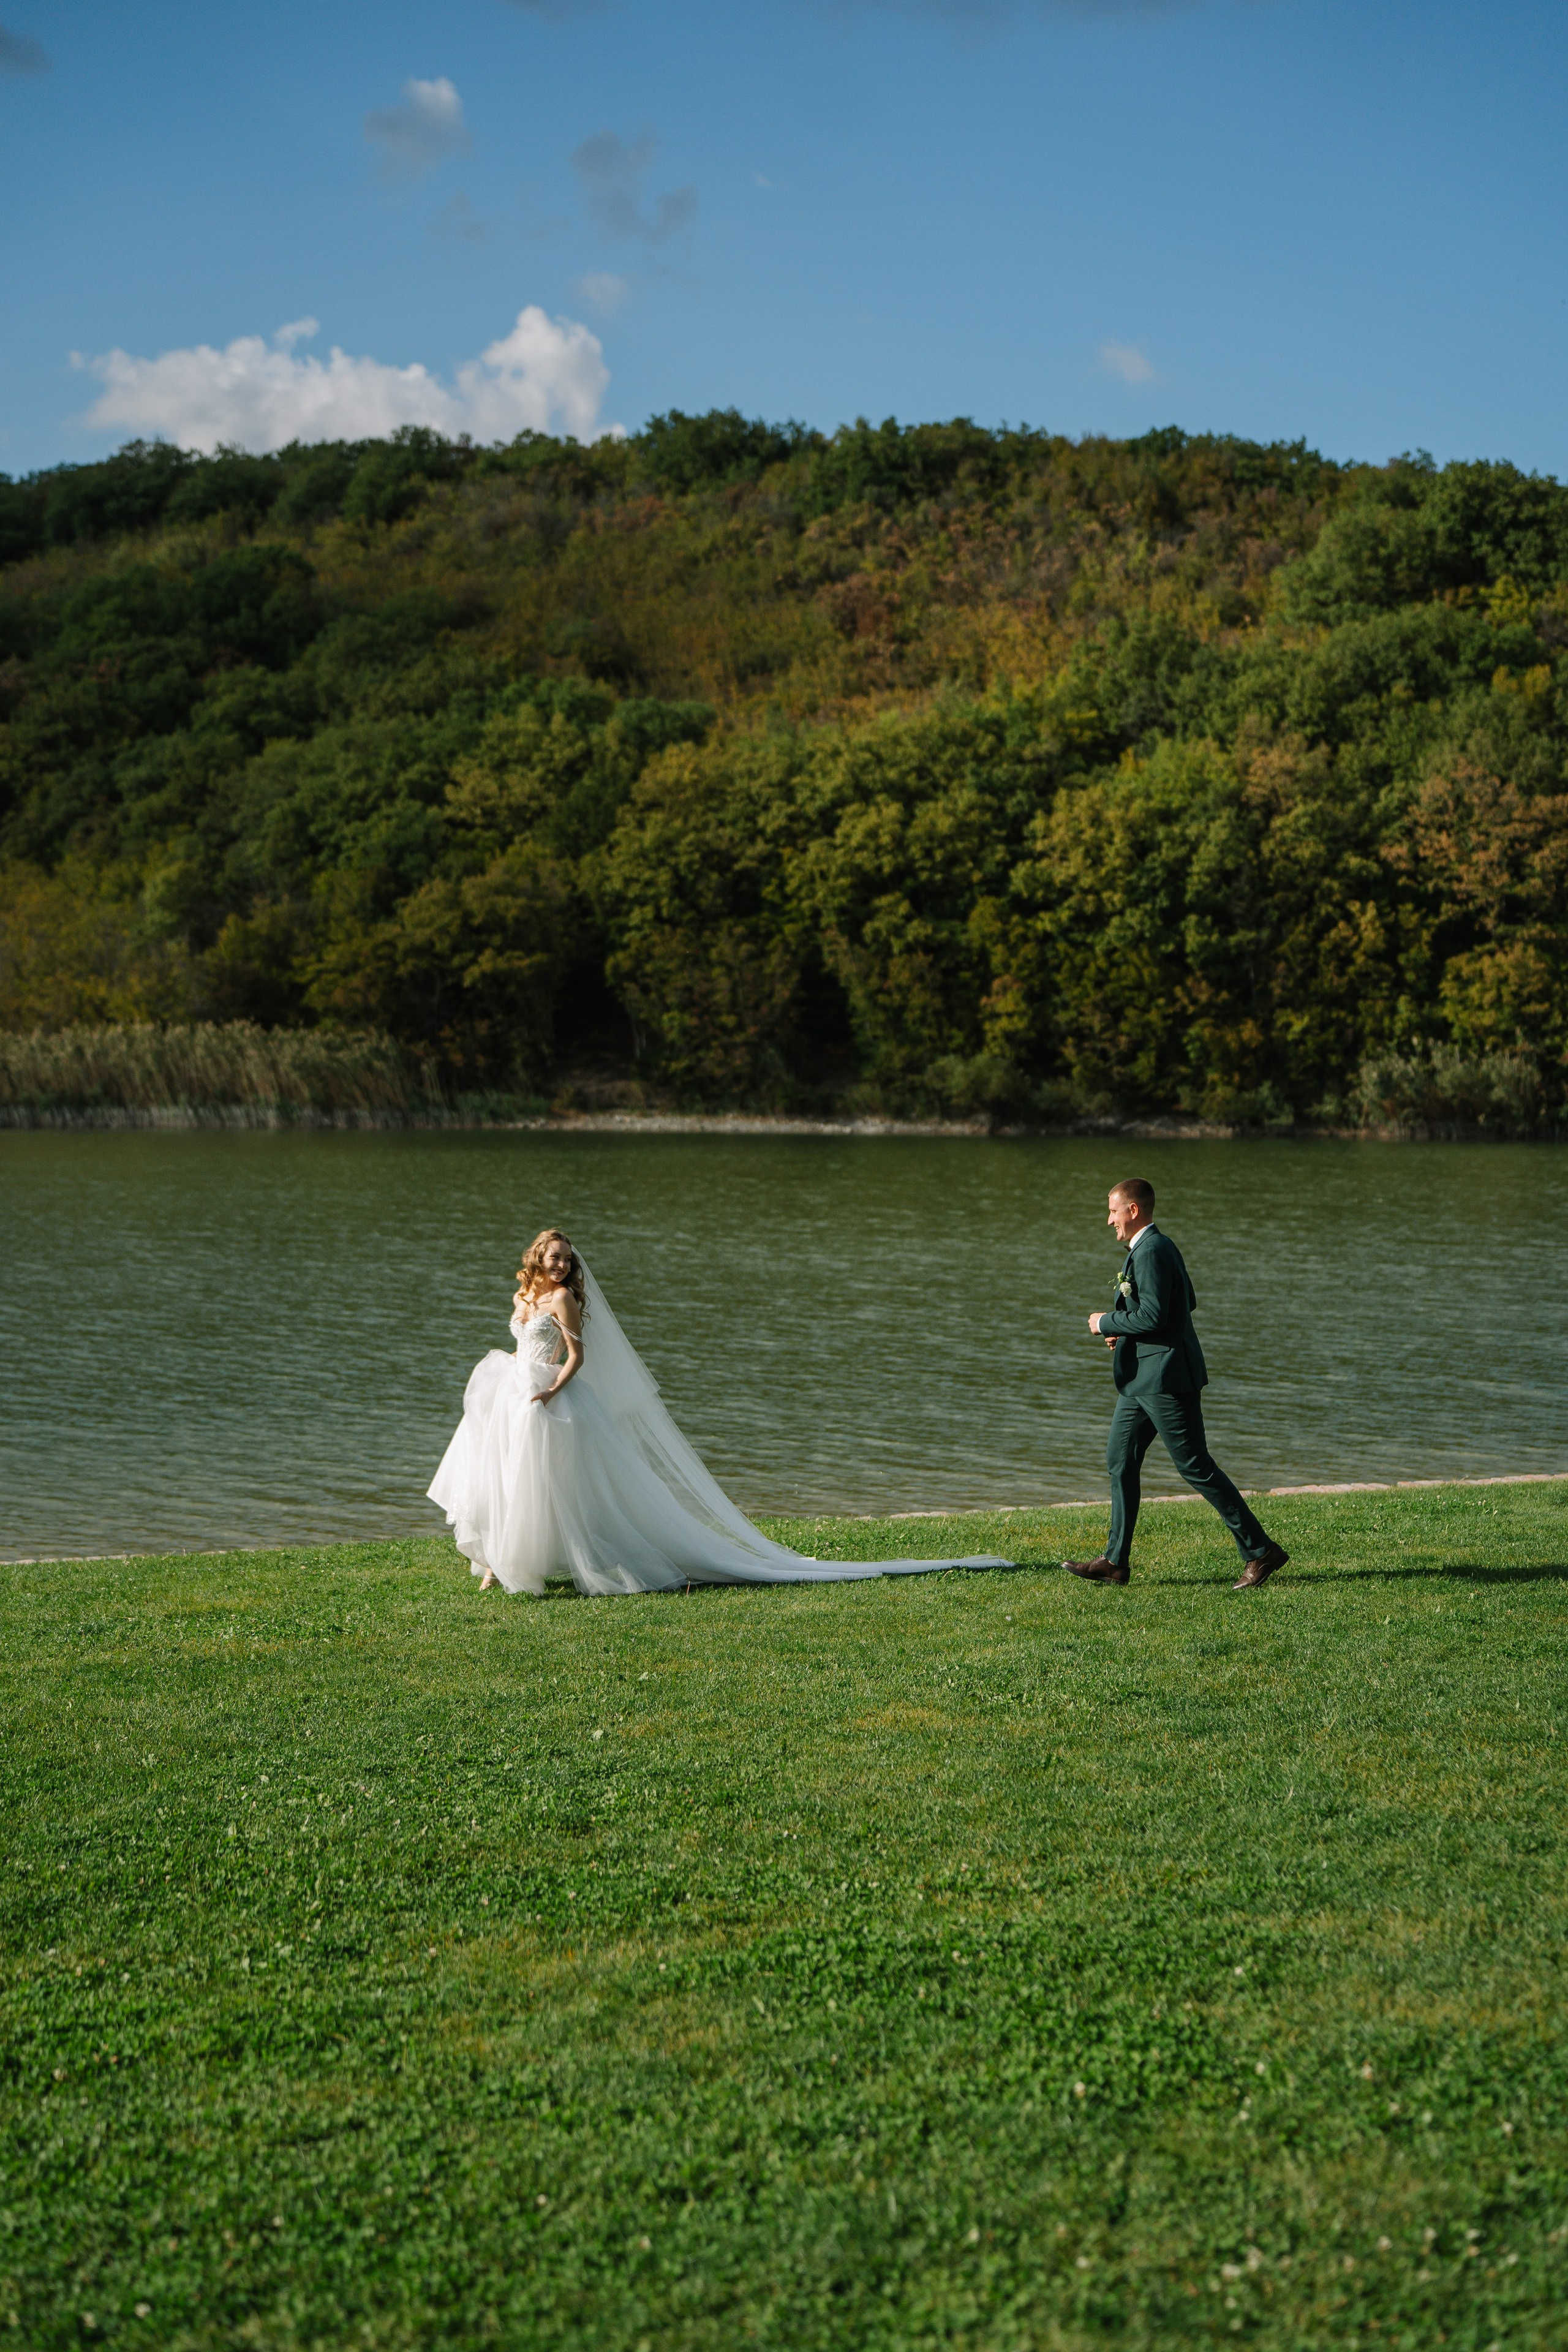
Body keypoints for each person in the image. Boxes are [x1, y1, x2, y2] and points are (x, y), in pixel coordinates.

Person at [428, 1227, 1010, 1597]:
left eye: (566, 1259)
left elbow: (576, 1355)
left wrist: (550, 1391)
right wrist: (512, 1366)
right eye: (551, 1258)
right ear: (537, 1257)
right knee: (499, 1475)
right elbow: (522, 1338)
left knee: (542, 1485)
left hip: (546, 1396)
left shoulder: (562, 1300)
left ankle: (523, 1564)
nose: (559, 1265)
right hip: (514, 1386)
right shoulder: (525, 1295)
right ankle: (493, 1562)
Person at [1063, 1178, 1289, 1591]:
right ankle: (1115, 1560)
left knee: (1195, 1466)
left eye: (1113, 1211)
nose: (1109, 1219)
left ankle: (1261, 1551)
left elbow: (1155, 1316)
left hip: (1165, 1379)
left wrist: (1106, 1323)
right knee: (1120, 1459)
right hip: (1142, 1380)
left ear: (1133, 1211)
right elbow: (1180, 1304)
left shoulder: (1152, 1249)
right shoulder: (1157, 1248)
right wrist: (1125, 1331)